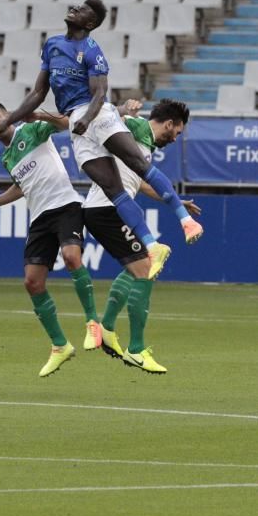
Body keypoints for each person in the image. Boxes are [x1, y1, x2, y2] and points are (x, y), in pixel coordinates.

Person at [0, 0, 203, 281]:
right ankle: (153, 246)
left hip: (97, 115)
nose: (75, 9)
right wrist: (11, 118)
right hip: (77, 123)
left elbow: (100, 93)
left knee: (139, 164)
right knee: (112, 189)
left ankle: (186, 221)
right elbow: (38, 93)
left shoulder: (91, 50)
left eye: (82, 10)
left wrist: (87, 118)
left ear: (89, 24)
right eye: (77, 6)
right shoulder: (52, 45)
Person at [0, 100, 121, 378]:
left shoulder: (30, 130)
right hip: (39, 218)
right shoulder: (7, 158)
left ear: (8, 116)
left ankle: (92, 323)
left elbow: (64, 124)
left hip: (66, 205)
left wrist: (38, 113)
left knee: (72, 257)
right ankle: (60, 346)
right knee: (32, 282)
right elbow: (21, 186)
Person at [83, 99, 201, 373]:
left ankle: (107, 329)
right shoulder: (136, 127)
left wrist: (177, 202)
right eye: (178, 132)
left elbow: (144, 184)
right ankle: (135, 348)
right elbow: (110, 118)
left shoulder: (145, 144)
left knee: (139, 267)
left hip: (106, 210)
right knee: (147, 267)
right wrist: (122, 112)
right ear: (169, 124)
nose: (175, 138)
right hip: (108, 210)